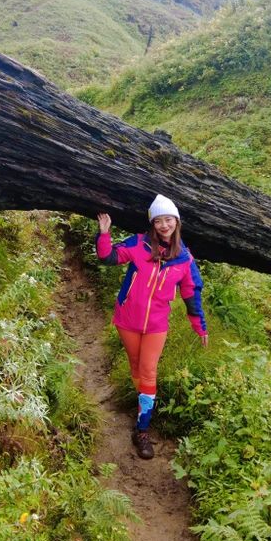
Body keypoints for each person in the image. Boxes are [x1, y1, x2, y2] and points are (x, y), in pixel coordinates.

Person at [96, 195, 207, 459]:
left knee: (148, 372)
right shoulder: (138, 244)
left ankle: (142, 429)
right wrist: (104, 234)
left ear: (176, 222)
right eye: (159, 221)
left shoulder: (184, 259)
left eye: (168, 219)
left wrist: (199, 325)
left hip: (157, 325)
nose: (164, 225)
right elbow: (108, 258)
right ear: (153, 224)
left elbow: (192, 293)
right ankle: (143, 402)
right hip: (127, 320)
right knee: (136, 367)